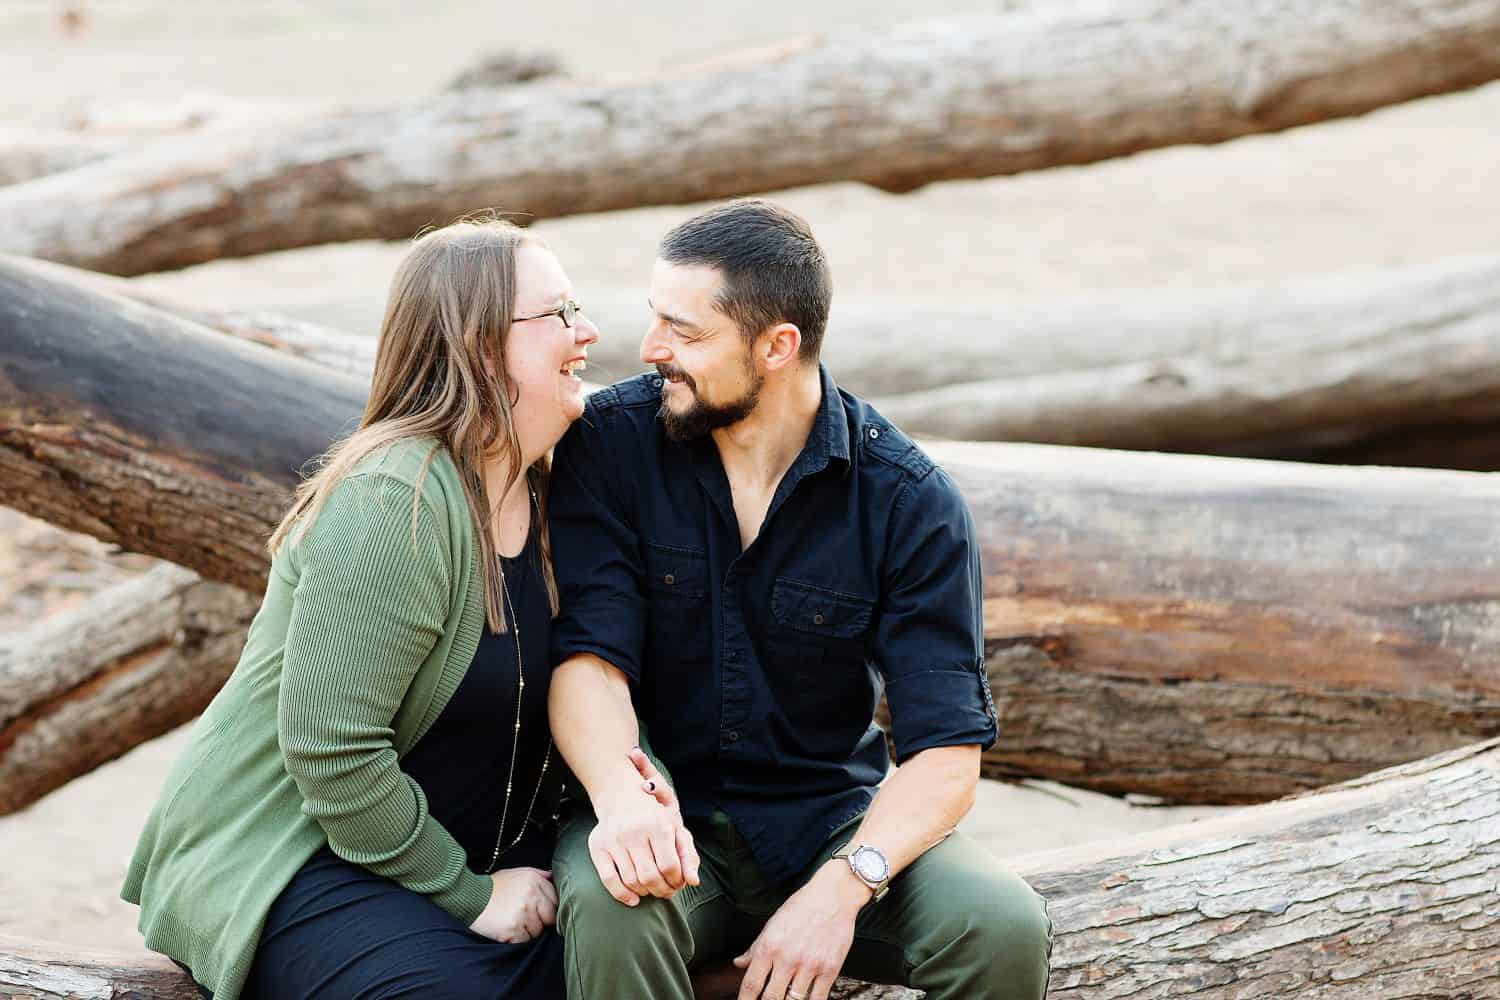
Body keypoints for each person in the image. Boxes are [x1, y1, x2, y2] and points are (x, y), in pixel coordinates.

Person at [546, 200, 1053, 1000]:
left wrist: (842, 890)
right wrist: (622, 797)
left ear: (778, 345)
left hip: (829, 824)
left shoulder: (906, 500)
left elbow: (947, 754)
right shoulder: (610, 446)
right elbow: (587, 662)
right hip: (661, 813)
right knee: (612, 906)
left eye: (686, 331)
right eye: (655, 320)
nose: (650, 350)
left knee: (1001, 927)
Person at [121, 215, 637, 1000]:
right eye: (558, 314)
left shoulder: (548, 487)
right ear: (477, 344)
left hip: (455, 855)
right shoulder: (398, 501)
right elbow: (333, 752)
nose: (588, 330)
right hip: (297, 857)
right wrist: (472, 896)